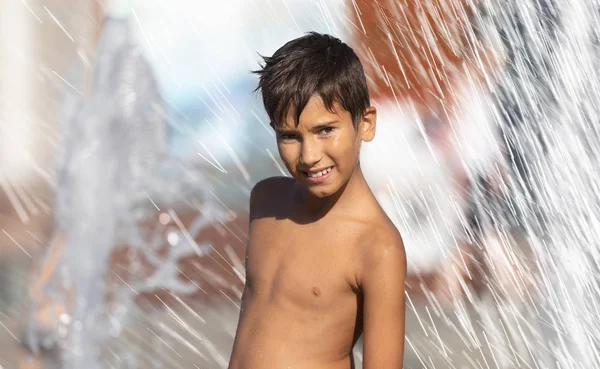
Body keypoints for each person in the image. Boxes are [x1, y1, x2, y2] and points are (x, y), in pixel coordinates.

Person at [227, 32, 406, 369]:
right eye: (290, 136)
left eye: (325, 130)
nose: (309, 156)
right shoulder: (266, 201)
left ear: (365, 124)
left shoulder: (376, 246)